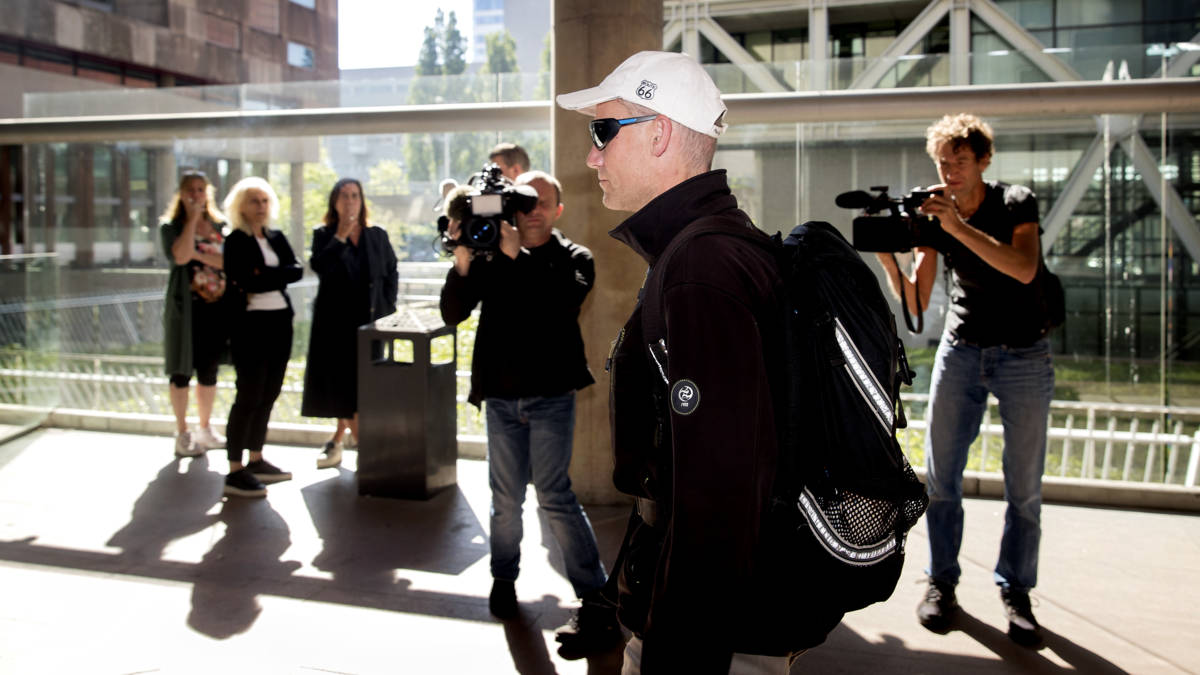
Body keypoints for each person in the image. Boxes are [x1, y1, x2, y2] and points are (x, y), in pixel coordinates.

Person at [558, 50, 839, 672]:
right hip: (723, 614)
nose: (591, 155)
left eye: (603, 132)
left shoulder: (701, 268)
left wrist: (678, 653)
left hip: (715, 632)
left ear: (659, 134)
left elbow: (721, 493)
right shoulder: (711, 246)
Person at [874, 113, 1056, 647]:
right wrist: (890, 257)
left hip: (1025, 353)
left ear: (982, 161)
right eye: (941, 162)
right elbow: (916, 300)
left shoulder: (1016, 201)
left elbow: (1024, 268)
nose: (948, 171)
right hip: (962, 350)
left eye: (958, 160)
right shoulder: (936, 213)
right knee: (941, 480)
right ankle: (941, 584)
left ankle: (1017, 591)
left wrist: (955, 226)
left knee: (1024, 487)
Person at [438, 170, 619, 658]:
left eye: (543, 202)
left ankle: (596, 596)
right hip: (500, 395)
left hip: (551, 395)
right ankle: (503, 578)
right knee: (504, 498)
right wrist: (461, 259)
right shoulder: (491, 254)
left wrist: (517, 255)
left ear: (558, 210)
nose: (533, 209)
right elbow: (453, 313)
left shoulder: (575, 258)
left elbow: (559, 304)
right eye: (525, 201)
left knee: (555, 496)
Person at [301, 178, 398, 469]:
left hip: (372, 324)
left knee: (365, 387)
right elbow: (320, 267)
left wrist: (387, 307)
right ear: (334, 201)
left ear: (362, 201)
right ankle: (368, 453)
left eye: (355, 195)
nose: (350, 201)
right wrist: (339, 238)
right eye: (343, 196)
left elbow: (391, 272)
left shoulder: (376, 235)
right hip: (336, 327)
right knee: (343, 387)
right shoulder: (324, 235)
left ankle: (339, 440)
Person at [220, 177, 303, 498]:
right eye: (254, 201)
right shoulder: (235, 241)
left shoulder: (276, 236)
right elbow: (246, 281)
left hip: (280, 321)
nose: (260, 207)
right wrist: (269, 276)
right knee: (249, 394)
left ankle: (256, 458)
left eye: (265, 201)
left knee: (270, 392)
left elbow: (296, 270)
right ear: (240, 206)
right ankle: (234, 469)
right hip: (249, 325)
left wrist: (262, 275)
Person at [160, 170, 230, 457]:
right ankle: (182, 431)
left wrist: (198, 255)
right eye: (190, 190)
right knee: (180, 370)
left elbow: (228, 260)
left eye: (201, 189)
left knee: (209, 370)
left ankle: (205, 428)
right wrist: (191, 221)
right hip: (185, 310)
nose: (196, 195)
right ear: (181, 193)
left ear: (208, 192)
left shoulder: (219, 225)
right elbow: (179, 255)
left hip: (215, 309)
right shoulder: (171, 226)